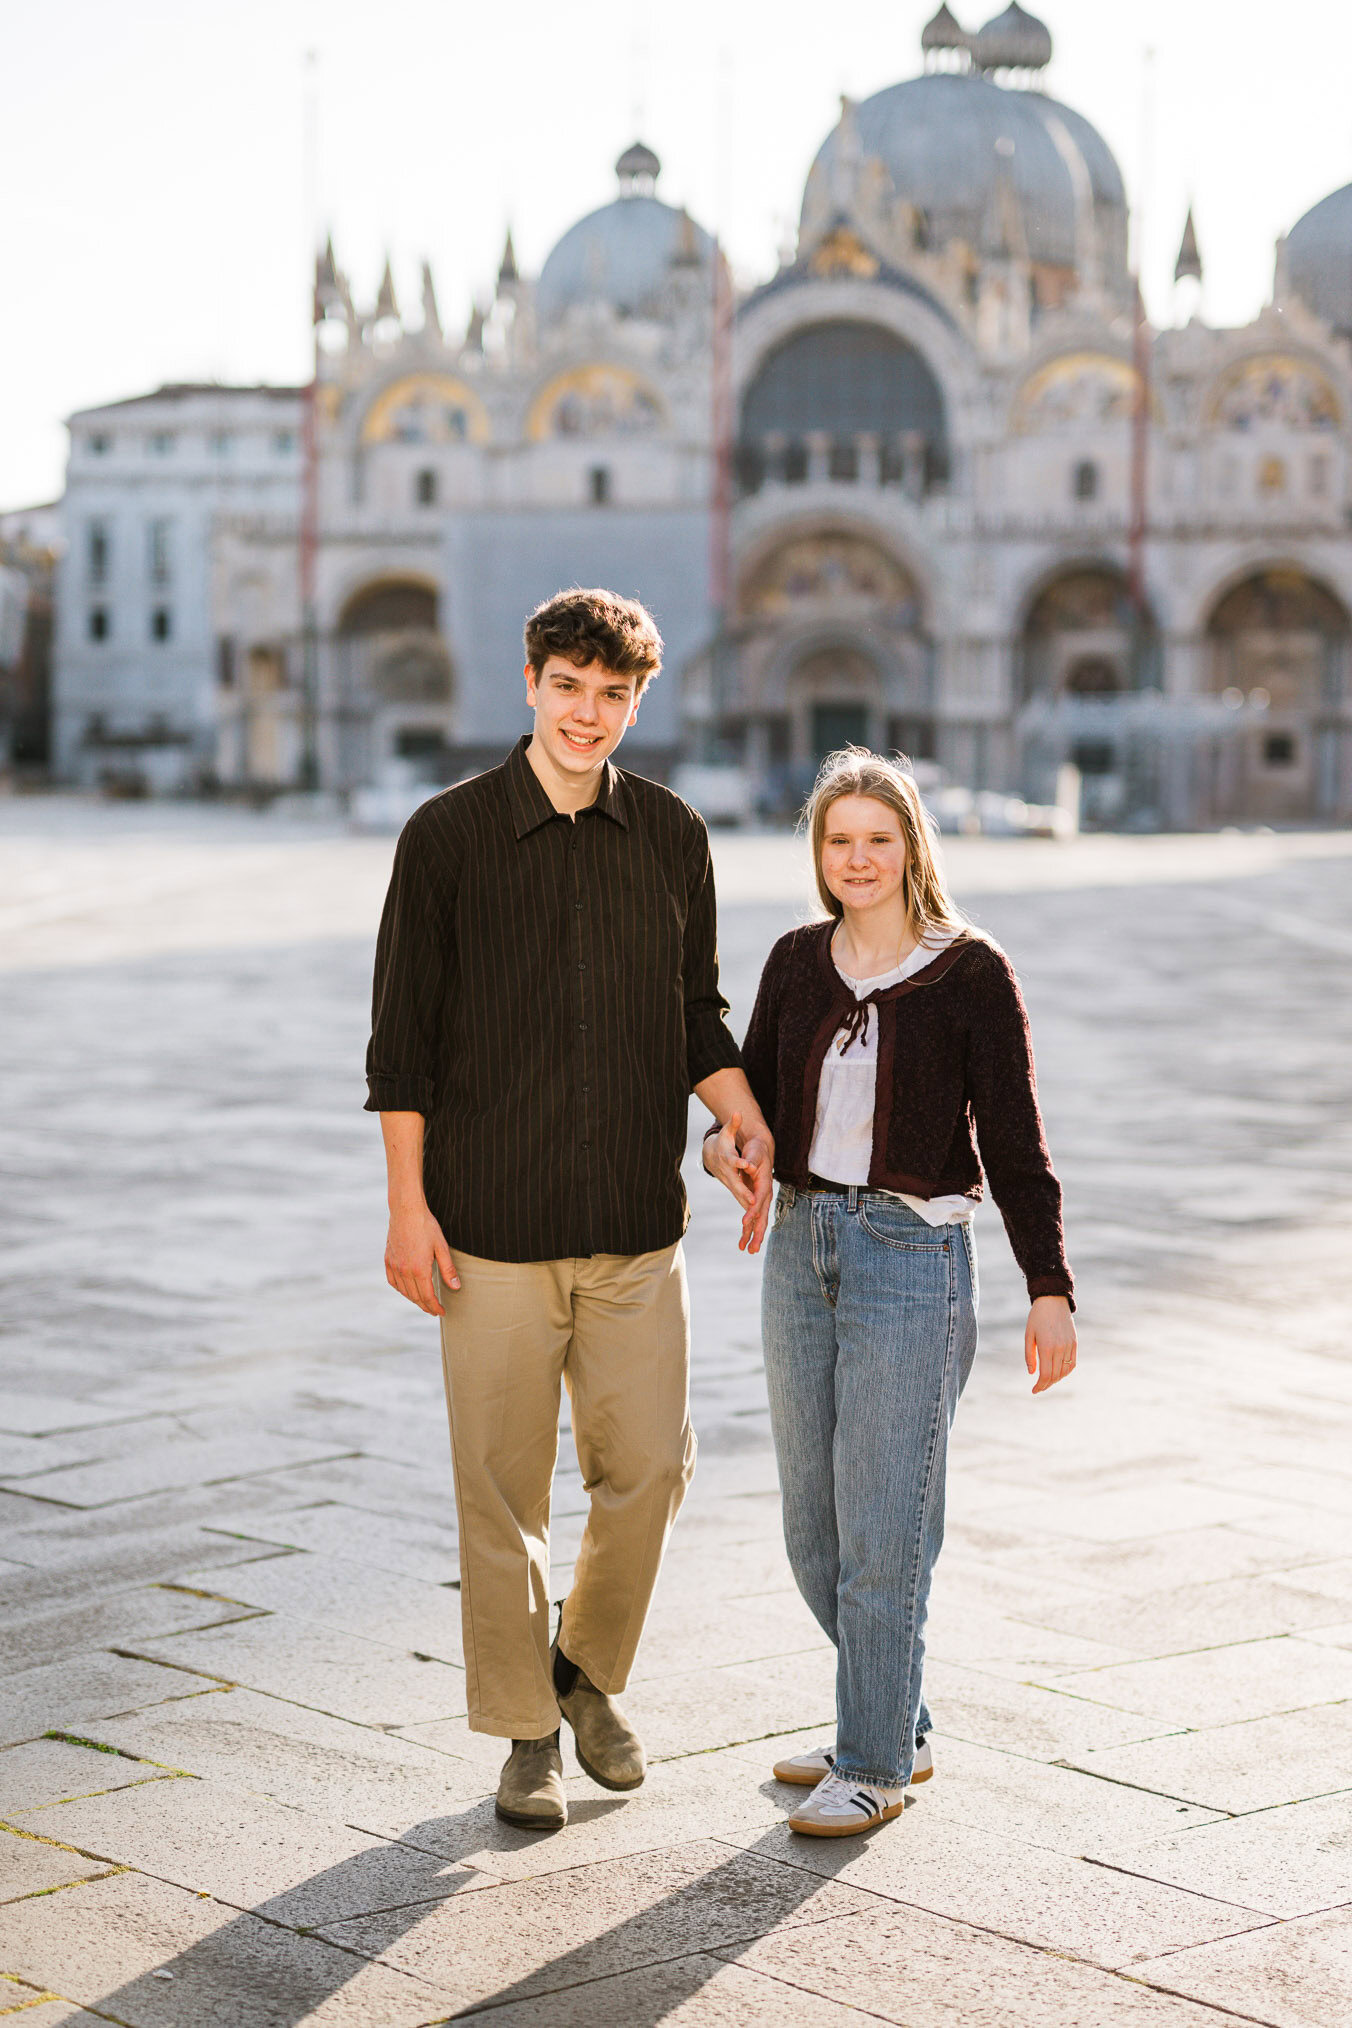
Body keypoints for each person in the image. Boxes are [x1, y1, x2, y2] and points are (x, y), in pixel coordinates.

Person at [366, 588, 773, 1833]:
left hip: (636, 1223)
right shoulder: (443, 837)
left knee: (648, 1467)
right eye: (568, 689)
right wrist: (405, 1209)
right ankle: (525, 1736)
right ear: (530, 684)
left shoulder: (672, 834)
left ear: (635, 702)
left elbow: (691, 1008)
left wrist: (735, 1110)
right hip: (486, 1223)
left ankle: (584, 1670)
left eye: (613, 697)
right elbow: (402, 1045)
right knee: (500, 1495)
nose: (587, 715)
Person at [704, 747, 1076, 1838]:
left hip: (909, 1259)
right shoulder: (790, 960)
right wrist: (720, 1154)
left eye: (878, 838)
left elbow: (1014, 1142)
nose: (858, 858)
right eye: (837, 841)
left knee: (885, 1527)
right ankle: (893, 1719)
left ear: (911, 844)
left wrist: (1046, 1288)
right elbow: (752, 1113)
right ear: (815, 854)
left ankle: (870, 1762)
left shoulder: (969, 972)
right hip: (801, 1251)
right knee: (811, 1531)